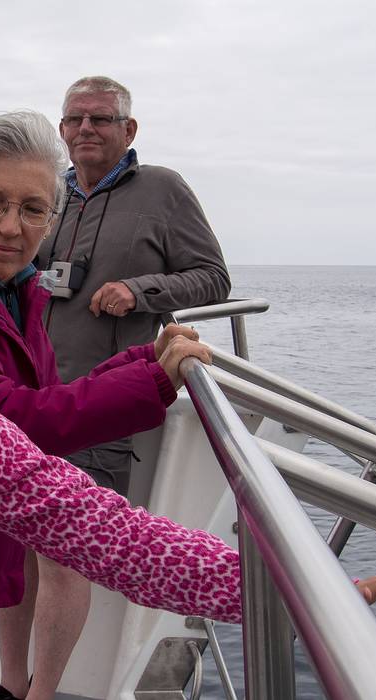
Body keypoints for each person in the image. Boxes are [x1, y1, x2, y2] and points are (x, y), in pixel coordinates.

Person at [0, 112, 376, 700]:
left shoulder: (10, 287)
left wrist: (149, 364)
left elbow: (92, 504)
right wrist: (150, 383)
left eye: (34, 209)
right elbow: (9, 424)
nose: (12, 226)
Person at [38, 75, 231, 496]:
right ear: (62, 130)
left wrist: (139, 291)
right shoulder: (48, 192)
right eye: (75, 119)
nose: (85, 128)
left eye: (101, 118)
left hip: (102, 400)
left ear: (129, 129)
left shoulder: (163, 189)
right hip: (31, 396)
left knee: (87, 536)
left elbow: (214, 278)